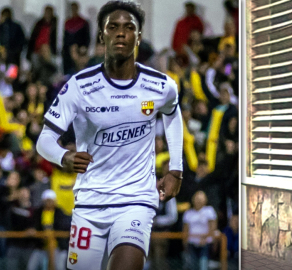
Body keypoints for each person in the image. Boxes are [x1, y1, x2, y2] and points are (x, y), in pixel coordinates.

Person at [36, 1, 183, 270]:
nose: (121, 33)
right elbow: (44, 139)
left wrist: (176, 169)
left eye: (129, 28)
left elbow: (173, 114)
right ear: (102, 35)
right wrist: (64, 157)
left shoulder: (161, 85)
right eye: (113, 27)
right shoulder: (79, 86)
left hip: (136, 199)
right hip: (90, 202)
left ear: (138, 36)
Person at [182, 190, 217, 270]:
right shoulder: (188, 213)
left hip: (205, 243)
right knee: (192, 265)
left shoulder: (209, 210)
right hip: (192, 243)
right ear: (193, 200)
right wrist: (185, 243)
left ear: (205, 200)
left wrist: (205, 239)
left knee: (203, 265)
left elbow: (213, 227)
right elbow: (185, 229)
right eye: (197, 199)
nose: (198, 201)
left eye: (201, 199)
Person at [62, 2, 91, 76]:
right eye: (72, 9)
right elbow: (65, 38)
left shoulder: (83, 22)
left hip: (80, 48)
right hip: (69, 49)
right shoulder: (67, 22)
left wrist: (83, 47)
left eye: (75, 8)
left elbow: (87, 37)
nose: (73, 10)